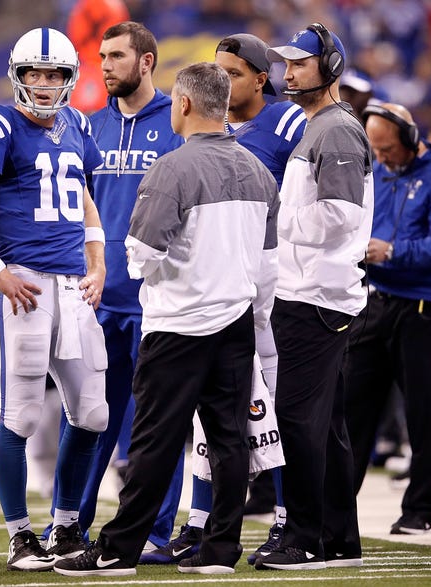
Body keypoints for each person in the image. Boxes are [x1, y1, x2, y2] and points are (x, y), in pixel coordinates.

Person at [54, 61, 278, 577]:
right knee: (228, 440)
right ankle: (220, 550)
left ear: (184, 104)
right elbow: (269, 263)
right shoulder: (258, 170)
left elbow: (140, 255)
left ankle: (118, 549)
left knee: (153, 441)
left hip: (178, 324)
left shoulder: (172, 167)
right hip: (236, 320)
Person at [0, 27, 108, 572]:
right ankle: (19, 535)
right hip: (26, 285)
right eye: (34, 73)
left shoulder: (78, 124)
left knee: (92, 414)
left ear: (68, 78)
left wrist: (98, 259)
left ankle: (65, 526)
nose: (43, 83)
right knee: (22, 415)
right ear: (17, 75)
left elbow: (80, 195)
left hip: (73, 286)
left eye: (54, 74)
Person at [143, 32, 306, 567]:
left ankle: (287, 521)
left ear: (262, 79)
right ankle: (201, 524)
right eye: (218, 72)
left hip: (266, 284)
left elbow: (301, 204)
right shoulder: (221, 135)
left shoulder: (287, 123)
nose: (223, 81)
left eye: (234, 73)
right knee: (213, 426)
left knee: (262, 416)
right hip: (223, 288)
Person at [57, 20, 185, 552]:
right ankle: (68, 525)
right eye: (101, 56)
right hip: (97, 298)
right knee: (88, 421)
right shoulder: (88, 128)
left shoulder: (177, 124)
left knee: (157, 426)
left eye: (114, 55)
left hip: (158, 299)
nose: (103, 65)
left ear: (146, 61)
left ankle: (155, 533)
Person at [253, 23, 373, 571]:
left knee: (298, 417)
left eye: (300, 62)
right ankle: (337, 535)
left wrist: (278, 221)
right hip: (315, 292)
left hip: (317, 296)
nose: (289, 71)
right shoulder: (318, 125)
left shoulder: (336, 130)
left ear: (330, 66)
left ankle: (303, 538)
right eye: (287, 63)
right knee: (325, 424)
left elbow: (342, 216)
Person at [343, 103, 431, 535]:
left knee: (424, 413)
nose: (381, 157)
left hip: (423, 309)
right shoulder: (375, 173)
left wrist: (392, 252)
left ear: (411, 139)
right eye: (375, 150)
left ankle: (418, 510)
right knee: (352, 410)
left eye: (388, 148)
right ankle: (338, 509)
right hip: (375, 303)